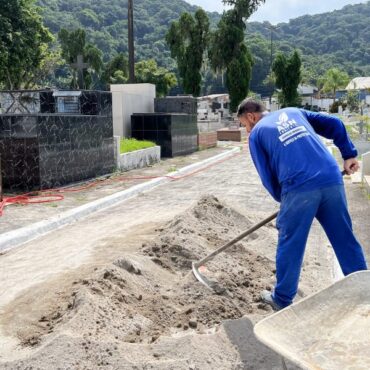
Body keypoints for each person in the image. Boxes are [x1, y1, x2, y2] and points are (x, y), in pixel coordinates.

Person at [237, 98, 368, 311]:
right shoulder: (293, 111)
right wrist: (349, 155)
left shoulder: (257, 134)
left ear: (251, 117)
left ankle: (281, 298)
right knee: (344, 237)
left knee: (291, 242)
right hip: (331, 179)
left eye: (244, 125)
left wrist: (285, 199)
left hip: (298, 186)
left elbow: (267, 177)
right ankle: (363, 289)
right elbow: (335, 124)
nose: (246, 129)